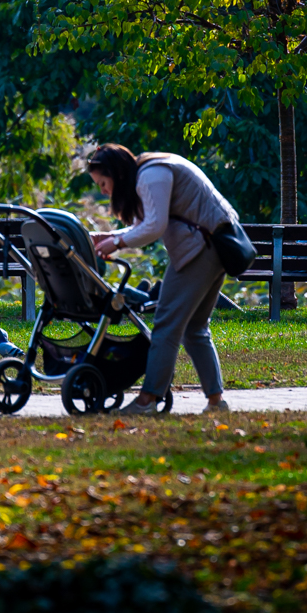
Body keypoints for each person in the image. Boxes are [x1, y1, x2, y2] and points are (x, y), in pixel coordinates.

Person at [84, 144, 238, 416]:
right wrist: (109, 238)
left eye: (104, 183)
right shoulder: (150, 170)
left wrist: (116, 242)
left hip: (200, 250)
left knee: (166, 323)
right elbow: (149, 224)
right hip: (212, 247)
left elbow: (155, 227)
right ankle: (216, 402)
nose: (104, 191)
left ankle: (148, 400)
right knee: (194, 328)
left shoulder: (152, 174)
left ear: (116, 173)